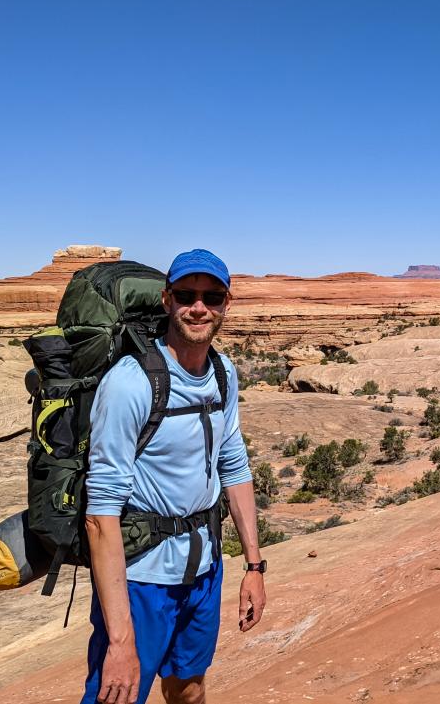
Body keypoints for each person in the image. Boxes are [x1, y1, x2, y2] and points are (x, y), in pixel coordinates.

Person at [81, 249, 266, 704]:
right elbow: (100, 514)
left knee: (189, 686)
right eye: (186, 295)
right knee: (117, 694)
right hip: (143, 579)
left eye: (211, 297)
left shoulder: (223, 373)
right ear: (166, 300)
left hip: (204, 571)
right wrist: (121, 642)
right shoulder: (131, 383)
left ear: (227, 304)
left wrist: (255, 566)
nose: (198, 307)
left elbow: (234, 465)